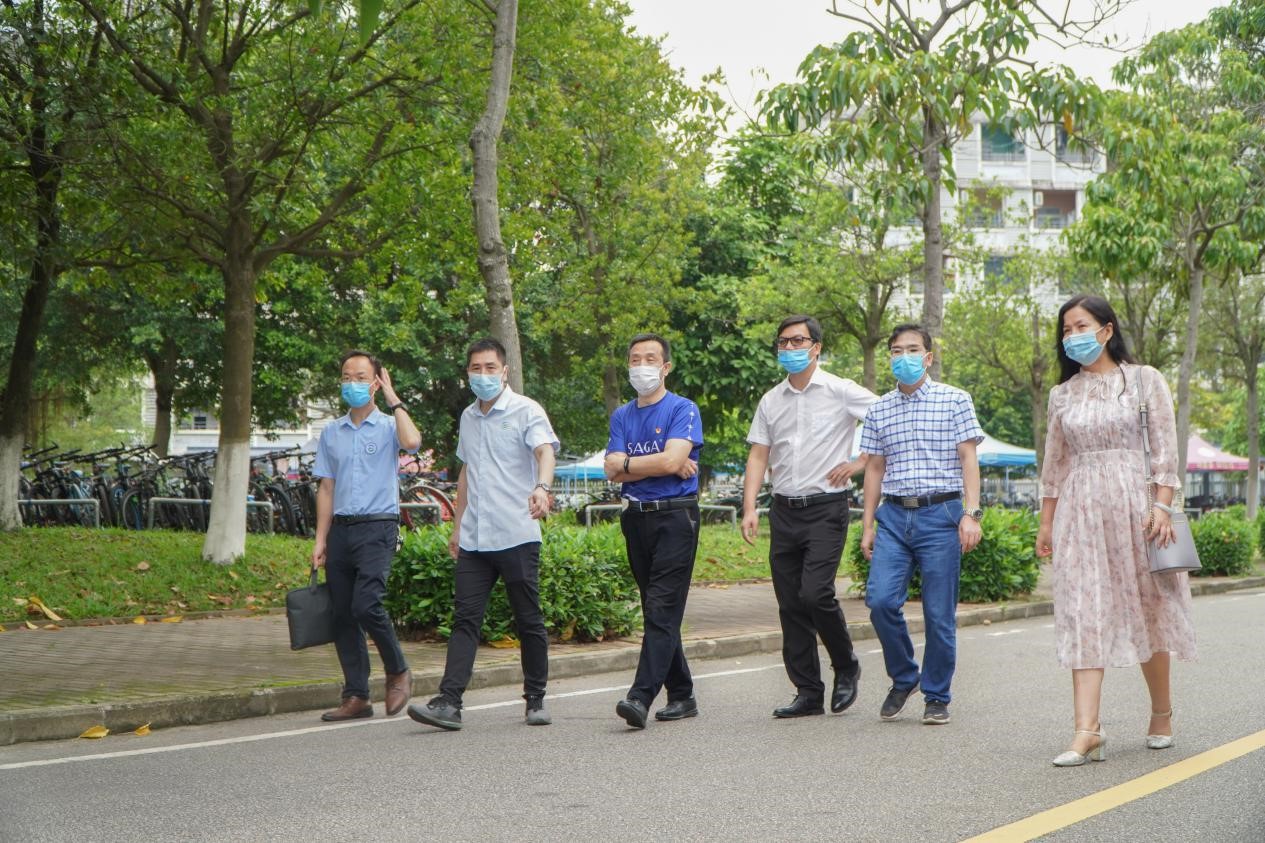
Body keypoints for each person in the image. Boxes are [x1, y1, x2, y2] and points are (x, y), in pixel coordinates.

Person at [1036, 295, 1196, 767]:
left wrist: (1162, 506)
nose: (1072, 337)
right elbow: (1054, 464)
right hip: (1081, 511)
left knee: (1150, 607)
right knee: (1082, 611)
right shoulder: (1062, 395)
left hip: (1137, 509)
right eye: (1066, 330)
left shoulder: (1145, 380)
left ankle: (1161, 713)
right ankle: (1087, 730)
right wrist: (1046, 523)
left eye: (1080, 326)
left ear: (1106, 330)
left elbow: (1165, 449)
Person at [408, 338, 559, 731]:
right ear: (468, 373)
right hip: (476, 539)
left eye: (490, 367)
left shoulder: (526, 410)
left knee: (528, 619)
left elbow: (545, 451)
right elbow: (466, 473)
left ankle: (535, 699)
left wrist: (542, 488)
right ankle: (449, 702)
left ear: (504, 371)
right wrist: (458, 526)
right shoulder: (468, 417)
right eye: (476, 368)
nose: (483, 374)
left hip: (517, 533)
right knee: (465, 620)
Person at [741, 315, 876, 718]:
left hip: (826, 508)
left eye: (797, 341)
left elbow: (886, 417)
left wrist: (859, 462)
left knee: (815, 593)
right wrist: (749, 507)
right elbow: (758, 455)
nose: (789, 348)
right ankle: (808, 691)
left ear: (816, 347)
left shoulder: (840, 390)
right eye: (783, 342)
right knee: (790, 604)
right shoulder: (771, 400)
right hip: (783, 509)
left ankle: (846, 664)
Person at [859, 324, 983, 726]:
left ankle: (936, 695)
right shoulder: (878, 409)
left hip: (941, 514)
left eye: (913, 350)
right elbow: (874, 468)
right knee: (880, 601)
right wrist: (867, 525)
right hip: (894, 517)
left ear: (928, 357)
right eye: (897, 351)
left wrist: (971, 513)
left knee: (938, 614)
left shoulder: (955, 400)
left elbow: (968, 458)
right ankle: (904, 676)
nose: (904, 357)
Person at [312, 349, 421, 721]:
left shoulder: (389, 426)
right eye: (346, 377)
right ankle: (356, 696)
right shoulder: (332, 432)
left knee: (366, 604)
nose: (352, 384)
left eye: (360, 377)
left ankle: (398, 670)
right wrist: (321, 539)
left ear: (375, 382)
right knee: (343, 614)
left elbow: (412, 442)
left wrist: (394, 400)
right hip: (341, 530)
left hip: (378, 526)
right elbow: (326, 488)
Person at [604, 333, 704, 729]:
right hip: (636, 518)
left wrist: (630, 464)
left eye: (650, 358)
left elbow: (670, 462)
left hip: (675, 518)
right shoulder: (622, 415)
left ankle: (640, 696)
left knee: (662, 607)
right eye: (635, 359)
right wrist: (660, 462)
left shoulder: (683, 408)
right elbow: (610, 469)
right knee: (657, 608)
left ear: (665, 367)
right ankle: (682, 693)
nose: (641, 365)